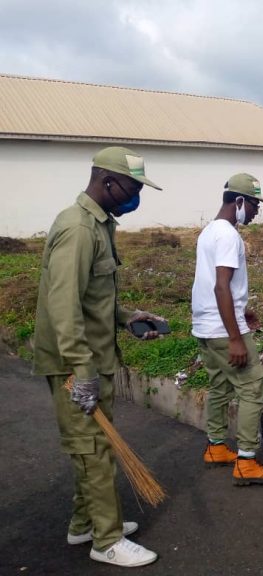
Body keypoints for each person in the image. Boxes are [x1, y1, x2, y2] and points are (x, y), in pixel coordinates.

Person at [32, 146, 163, 567]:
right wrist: (82, 370)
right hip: (77, 364)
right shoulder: (78, 229)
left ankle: (84, 523)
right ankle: (105, 540)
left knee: (94, 447)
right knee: (93, 450)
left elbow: (92, 296)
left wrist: (127, 317)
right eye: (132, 187)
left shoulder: (99, 224)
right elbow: (63, 305)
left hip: (92, 357)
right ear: (107, 182)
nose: (135, 197)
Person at [192, 173, 263, 485]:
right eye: (256, 204)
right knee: (252, 387)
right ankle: (246, 461)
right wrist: (235, 337)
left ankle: (216, 446)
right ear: (240, 201)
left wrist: (243, 310)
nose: (258, 211)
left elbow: (217, 285)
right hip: (222, 330)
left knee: (220, 384)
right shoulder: (229, 236)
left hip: (205, 326)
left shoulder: (209, 232)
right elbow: (221, 286)